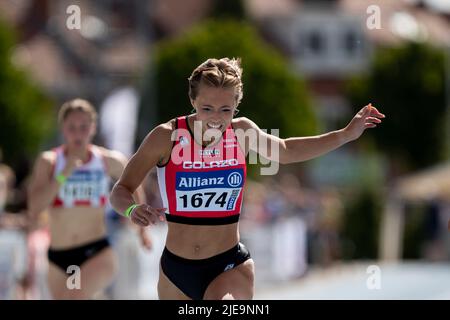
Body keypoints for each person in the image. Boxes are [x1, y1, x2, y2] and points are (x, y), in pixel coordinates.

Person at [110, 57, 385, 300]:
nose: (216, 119)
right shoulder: (166, 137)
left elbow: (288, 150)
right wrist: (133, 209)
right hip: (175, 270)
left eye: (225, 110)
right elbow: (121, 190)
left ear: (236, 106)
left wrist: (345, 134)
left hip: (228, 266)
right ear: (193, 101)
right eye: (207, 109)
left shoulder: (242, 133)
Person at [27, 98, 151, 299]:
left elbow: (134, 185)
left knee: (76, 294)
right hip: (59, 254)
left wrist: (141, 228)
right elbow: (35, 207)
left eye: (84, 127)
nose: (78, 134)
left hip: (94, 251)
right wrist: (63, 174)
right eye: (72, 127)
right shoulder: (50, 162)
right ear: (63, 129)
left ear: (93, 128)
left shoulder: (107, 160)